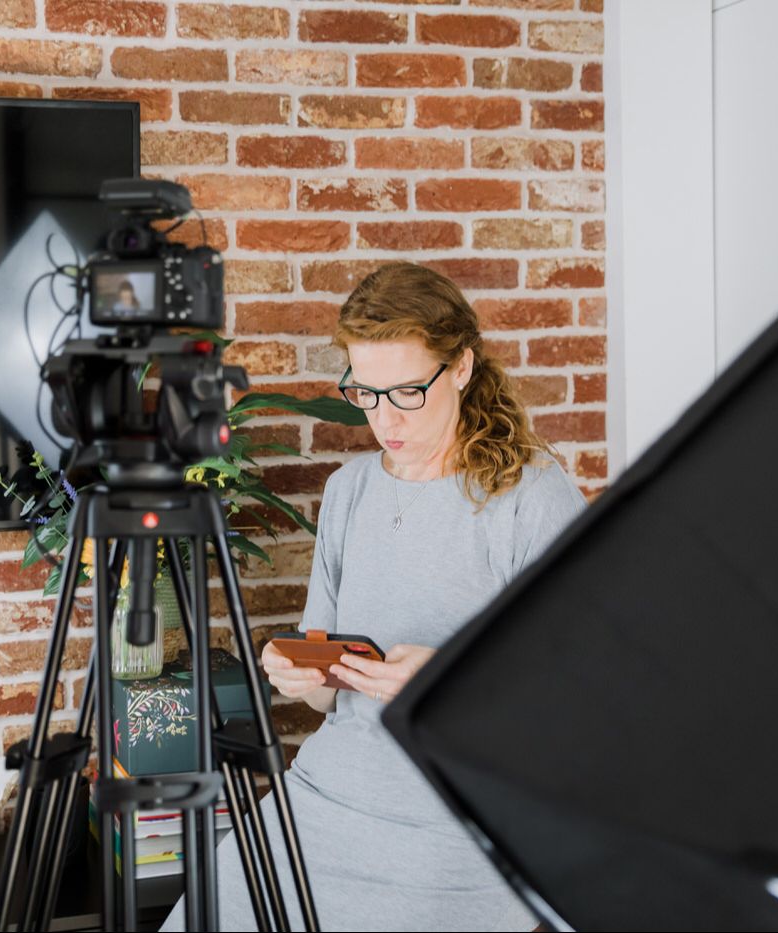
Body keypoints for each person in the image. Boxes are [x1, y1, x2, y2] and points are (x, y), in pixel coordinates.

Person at [163, 262, 587, 931]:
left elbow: (585, 700)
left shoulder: (533, 497)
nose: (383, 417)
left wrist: (450, 681)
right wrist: (300, 673)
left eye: (407, 392)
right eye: (365, 390)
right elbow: (333, 696)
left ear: (461, 368)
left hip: (454, 815)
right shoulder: (349, 489)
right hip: (324, 792)